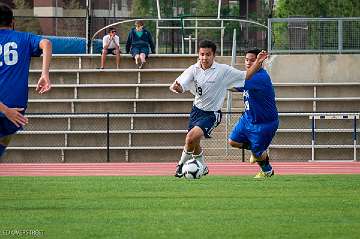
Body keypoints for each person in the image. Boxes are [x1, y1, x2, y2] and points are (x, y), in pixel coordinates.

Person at [169, 40, 268, 178]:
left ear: (213, 55)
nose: (204, 58)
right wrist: (178, 88)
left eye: (208, 54)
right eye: (202, 54)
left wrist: (258, 62)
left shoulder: (223, 70)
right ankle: (202, 167)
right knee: (193, 142)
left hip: (212, 114)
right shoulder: (193, 69)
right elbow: (180, 85)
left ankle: (179, 167)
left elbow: (245, 76)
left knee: (190, 138)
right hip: (196, 110)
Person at [0, 3, 52, 158]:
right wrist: (45, 74)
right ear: (13, 22)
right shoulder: (23, 38)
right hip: (15, 107)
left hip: (9, 110)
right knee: (6, 134)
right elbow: (47, 43)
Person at [228, 48, 278, 179]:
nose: (248, 63)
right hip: (248, 119)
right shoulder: (249, 75)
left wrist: (217, 82)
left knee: (257, 154)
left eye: (252, 60)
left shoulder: (260, 77)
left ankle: (267, 171)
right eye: (246, 60)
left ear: (259, 62)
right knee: (233, 141)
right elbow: (234, 87)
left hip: (264, 123)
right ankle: (258, 151)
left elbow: (232, 85)